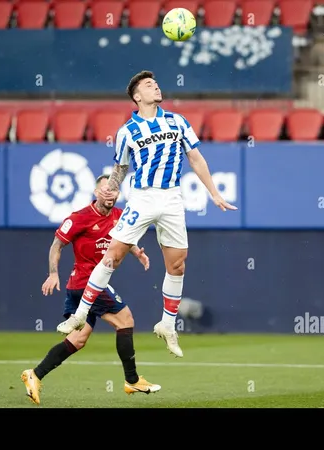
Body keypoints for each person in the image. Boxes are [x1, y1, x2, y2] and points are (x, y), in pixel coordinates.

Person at [56, 70, 238, 358]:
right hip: (142, 198)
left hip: (172, 198)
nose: (156, 87)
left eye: (156, 83)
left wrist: (213, 193)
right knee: (113, 256)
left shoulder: (177, 121)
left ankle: (167, 325)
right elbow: (121, 168)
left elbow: (195, 157)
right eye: (149, 85)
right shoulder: (127, 131)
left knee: (177, 265)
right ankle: (80, 314)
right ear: (137, 96)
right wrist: (111, 189)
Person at [21, 174, 161, 405]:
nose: (110, 194)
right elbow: (57, 245)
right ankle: (132, 380)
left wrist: (137, 252)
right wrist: (53, 273)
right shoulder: (80, 217)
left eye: (114, 190)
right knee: (125, 320)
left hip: (88, 285)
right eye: (105, 189)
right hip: (86, 282)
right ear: (96, 193)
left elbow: (124, 238)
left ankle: (34, 375)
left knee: (78, 339)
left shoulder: (120, 215)